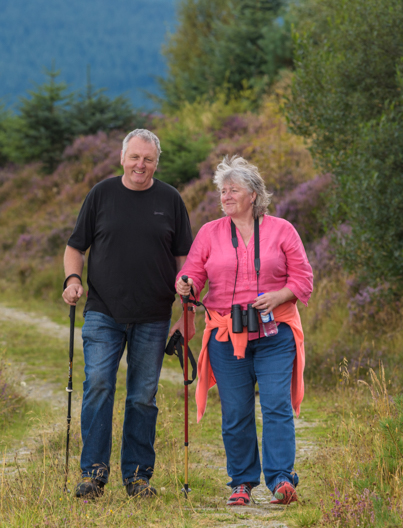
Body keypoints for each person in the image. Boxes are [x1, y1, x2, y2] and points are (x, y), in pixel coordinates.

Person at [62, 129, 193, 498]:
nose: (141, 165)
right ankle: (93, 473)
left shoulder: (170, 199)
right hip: (103, 311)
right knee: (99, 385)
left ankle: (137, 478)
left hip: (154, 314)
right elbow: (75, 248)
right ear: (122, 158)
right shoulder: (101, 195)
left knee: (142, 396)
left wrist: (188, 291)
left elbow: (186, 259)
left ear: (156, 162)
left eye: (148, 159)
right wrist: (73, 279)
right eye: (135, 157)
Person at [175, 155, 313, 506]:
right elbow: (192, 273)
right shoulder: (210, 232)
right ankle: (241, 482)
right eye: (223, 191)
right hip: (225, 334)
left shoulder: (282, 229)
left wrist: (279, 296)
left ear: (253, 194)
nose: (226, 196)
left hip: (274, 333)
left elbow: (303, 279)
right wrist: (185, 285)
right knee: (236, 410)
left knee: (276, 405)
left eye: (233, 190)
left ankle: (281, 479)